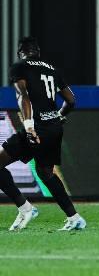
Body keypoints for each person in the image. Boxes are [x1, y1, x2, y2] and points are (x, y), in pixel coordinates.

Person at [0, 37, 86, 231]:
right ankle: (75, 218)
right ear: (37, 52)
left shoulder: (19, 66)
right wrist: (59, 117)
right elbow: (71, 100)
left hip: (35, 127)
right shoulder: (52, 69)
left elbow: (23, 96)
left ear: (21, 52)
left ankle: (25, 208)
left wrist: (29, 126)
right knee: (46, 173)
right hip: (54, 128)